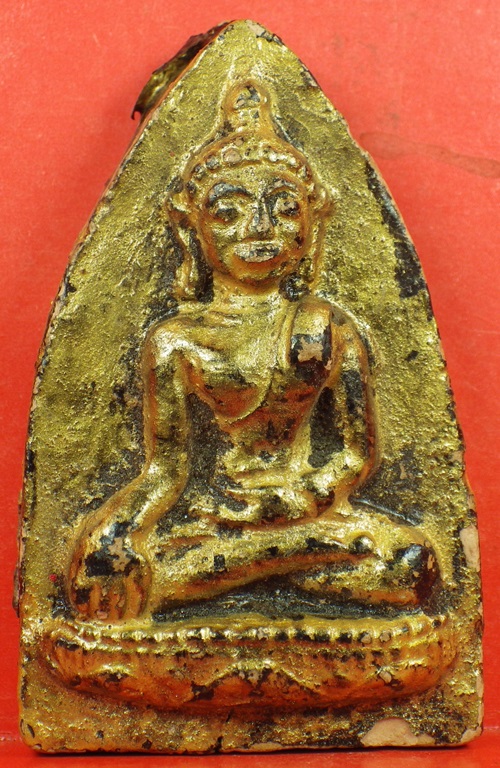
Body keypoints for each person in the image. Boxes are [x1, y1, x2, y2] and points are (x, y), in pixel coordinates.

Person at [69, 83, 438, 622]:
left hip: (309, 516)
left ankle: (262, 564)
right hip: (218, 520)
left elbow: (357, 454)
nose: (261, 228)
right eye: (229, 212)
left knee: (410, 563)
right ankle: (274, 563)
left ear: (312, 226)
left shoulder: (324, 327)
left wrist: (302, 500)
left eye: (284, 209)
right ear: (192, 230)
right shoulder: (176, 341)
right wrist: (117, 530)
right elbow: (164, 471)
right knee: (109, 577)